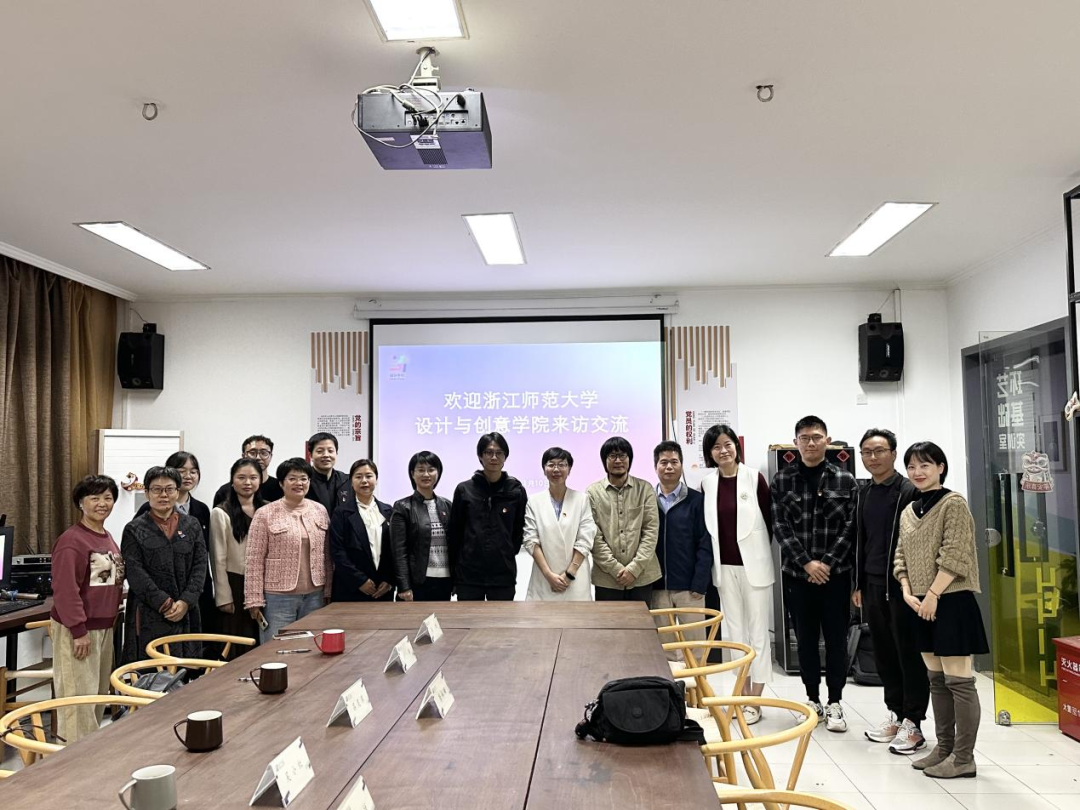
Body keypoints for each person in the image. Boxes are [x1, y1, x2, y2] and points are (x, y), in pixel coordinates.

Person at [894, 442, 988, 779]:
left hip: (951, 600)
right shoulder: (909, 510)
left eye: (925, 465)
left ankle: (963, 757)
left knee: (959, 681)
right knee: (936, 680)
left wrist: (933, 593)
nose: (918, 472)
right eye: (912, 466)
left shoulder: (954, 503)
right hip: (919, 602)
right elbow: (901, 556)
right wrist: (907, 590)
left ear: (940, 468)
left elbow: (955, 554)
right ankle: (944, 748)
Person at [771, 415, 856, 732]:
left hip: (836, 576)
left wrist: (827, 563)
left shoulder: (845, 480)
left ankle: (835, 702)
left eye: (816, 437)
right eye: (804, 438)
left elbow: (851, 528)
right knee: (805, 641)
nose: (810, 443)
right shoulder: (782, 480)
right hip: (798, 575)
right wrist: (807, 563)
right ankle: (812, 699)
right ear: (795, 442)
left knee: (836, 640)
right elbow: (780, 526)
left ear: (827, 441)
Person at [852, 428, 924, 754]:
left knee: (908, 654)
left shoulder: (909, 491)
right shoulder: (864, 492)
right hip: (871, 584)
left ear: (894, 454)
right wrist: (857, 584)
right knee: (884, 654)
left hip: (902, 586)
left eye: (879, 451)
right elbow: (860, 540)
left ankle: (914, 722)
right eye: (867, 452)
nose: (873, 457)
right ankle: (895, 714)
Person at [701, 425, 774, 721]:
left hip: (754, 567)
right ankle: (741, 693)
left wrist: (756, 552)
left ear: (736, 447)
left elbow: (769, 520)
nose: (723, 450)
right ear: (710, 453)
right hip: (724, 568)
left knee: (758, 633)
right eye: (716, 446)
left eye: (727, 444)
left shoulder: (754, 477)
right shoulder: (707, 483)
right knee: (735, 633)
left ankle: (755, 699)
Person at [49, 475, 125, 742]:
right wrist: (78, 630)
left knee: (96, 698)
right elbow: (65, 590)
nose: (102, 503)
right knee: (78, 701)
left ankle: (91, 754)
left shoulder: (107, 537)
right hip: (79, 631)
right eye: (94, 498)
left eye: (107, 497)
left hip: (103, 628)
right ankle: (73, 759)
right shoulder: (72, 541)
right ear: (81, 503)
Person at [121, 466, 207, 662]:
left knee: (187, 668)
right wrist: (165, 603)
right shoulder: (134, 529)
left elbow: (200, 566)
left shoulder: (192, 525)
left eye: (169, 489)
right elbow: (135, 572)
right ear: (147, 493)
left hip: (186, 610)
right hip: (149, 612)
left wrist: (185, 602)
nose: (163, 495)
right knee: (150, 670)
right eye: (157, 489)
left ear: (177, 492)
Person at [245, 458, 332, 642]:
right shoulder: (265, 513)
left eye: (304, 478)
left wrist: (328, 590)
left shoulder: (320, 510)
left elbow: (326, 555)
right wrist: (254, 599)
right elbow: (254, 559)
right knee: (275, 649)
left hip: (314, 596)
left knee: (312, 648)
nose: (299, 483)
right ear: (281, 483)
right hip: (278, 598)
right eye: (292, 478)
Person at [136, 451, 215, 634]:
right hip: (157, 597)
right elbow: (137, 563)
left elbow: (202, 557)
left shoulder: (201, 510)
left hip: (193, 592)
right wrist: (163, 601)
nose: (188, 476)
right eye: (182, 471)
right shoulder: (146, 512)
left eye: (193, 471)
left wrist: (188, 598)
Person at [447, 432, 527, 601]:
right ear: (480, 456)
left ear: (505, 457)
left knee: (501, 618)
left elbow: (519, 529)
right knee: (468, 618)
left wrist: (505, 551)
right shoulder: (464, 490)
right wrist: (454, 574)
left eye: (499, 453)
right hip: (468, 574)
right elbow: (455, 533)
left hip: (502, 574)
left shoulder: (515, 490)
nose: (494, 457)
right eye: (488, 452)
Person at [650, 441, 711, 658]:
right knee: (663, 650)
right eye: (663, 462)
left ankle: (697, 682)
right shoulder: (647, 501)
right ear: (655, 467)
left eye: (674, 462)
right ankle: (669, 682)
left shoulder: (697, 500)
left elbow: (705, 543)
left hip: (690, 589)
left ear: (681, 465)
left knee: (695, 649)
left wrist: (700, 583)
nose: (669, 467)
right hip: (657, 588)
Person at [587, 437, 661, 602]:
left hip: (642, 576)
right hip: (607, 579)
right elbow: (594, 536)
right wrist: (615, 569)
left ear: (630, 459)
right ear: (604, 460)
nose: (618, 460)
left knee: (641, 620)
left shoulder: (645, 489)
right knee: (609, 620)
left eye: (623, 455)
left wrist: (634, 569)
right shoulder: (593, 493)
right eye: (612, 456)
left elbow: (651, 531)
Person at [523, 447, 596, 601]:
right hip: (544, 579)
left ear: (569, 469)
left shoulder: (582, 499)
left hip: (575, 578)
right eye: (551, 464)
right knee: (542, 616)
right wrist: (549, 575)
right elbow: (530, 540)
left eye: (562, 465)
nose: (556, 469)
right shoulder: (534, 501)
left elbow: (585, 539)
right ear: (544, 469)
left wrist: (569, 574)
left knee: (577, 616)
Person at [209, 458, 264, 650]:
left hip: (263, 584)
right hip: (235, 583)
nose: (247, 482)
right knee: (237, 642)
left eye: (253, 477)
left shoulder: (267, 509)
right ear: (232, 481)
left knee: (261, 640)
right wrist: (223, 597)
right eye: (241, 477)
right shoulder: (221, 512)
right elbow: (217, 559)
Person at [391, 451, 454, 602]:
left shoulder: (447, 505)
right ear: (412, 474)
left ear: (438, 473)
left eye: (431, 469)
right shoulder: (403, 507)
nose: (426, 474)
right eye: (420, 470)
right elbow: (399, 551)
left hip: (444, 580)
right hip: (417, 581)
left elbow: (455, 545)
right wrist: (404, 586)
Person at [330, 459, 395, 602]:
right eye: (358, 477)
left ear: (376, 479)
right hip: (351, 588)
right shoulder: (341, 512)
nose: (364, 481)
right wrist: (359, 580)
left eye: (369, 476)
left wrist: (389, 580)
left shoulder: (388, 510)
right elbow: (338, 551)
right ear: (351, 482)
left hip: (383, 589)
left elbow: (394, 550)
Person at [213, 435, 284, 505]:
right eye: (252, 453)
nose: (258, 457)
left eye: (263, 453)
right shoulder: (225, 492)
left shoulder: (281, 488)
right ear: (243, 456)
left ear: (271, 456)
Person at [306, 432, 350, 515]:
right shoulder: (304, 481)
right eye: (320, 451)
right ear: (310, 455)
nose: (326, 455)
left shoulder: (346, 480)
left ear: (336, 453)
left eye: (330, 451)